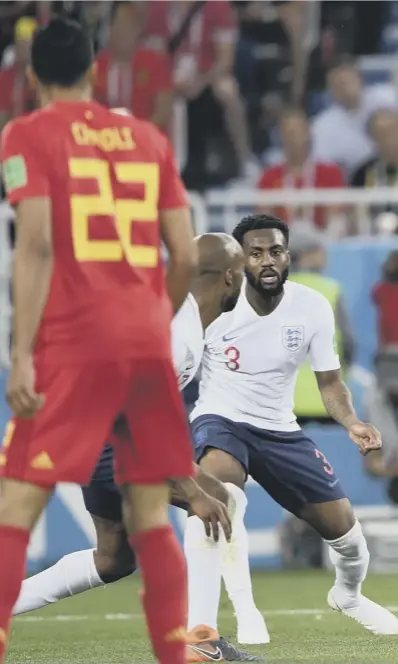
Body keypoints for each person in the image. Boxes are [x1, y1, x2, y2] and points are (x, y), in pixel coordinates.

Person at [0, 17, 197, 664]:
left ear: (31, 77)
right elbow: (186, 255)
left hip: (75, 342)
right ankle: (173, 655)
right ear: (95, 67)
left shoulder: (26, 133)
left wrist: (22, 351)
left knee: (16, 503)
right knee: (148, 516)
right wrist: (148, 320)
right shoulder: (148, 138)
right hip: (145, 343)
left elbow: (35, 245)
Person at [12, 233, 266, 662]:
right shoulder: (176, 331)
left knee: (114, 558)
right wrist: (191, 491)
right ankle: (202, 638)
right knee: (218, 497)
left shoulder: (184, 320)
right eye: (243, 272)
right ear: (229, 277)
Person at [184, 212, 398, 654]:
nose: (267, 260)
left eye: (276, 251)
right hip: (220, 418)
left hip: (280, 429)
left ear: (288, 256)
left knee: (349, 539)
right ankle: (224, 620)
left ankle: (348, 596)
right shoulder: (214, 305)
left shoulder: (311, 305)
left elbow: (330, 382)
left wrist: (352, 422)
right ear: (239, 262)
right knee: (220, 493)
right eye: (256, 252)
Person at [288, 227, 355, 424]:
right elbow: (349, 342)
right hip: (330, 402)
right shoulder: (331, 289)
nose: (325, 256)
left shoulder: (274, 293)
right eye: (320, 250)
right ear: (306, 255)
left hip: (286, 403)